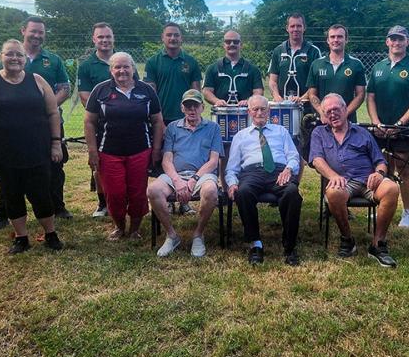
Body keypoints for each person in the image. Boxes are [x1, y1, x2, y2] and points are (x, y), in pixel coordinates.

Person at [0, 39, 64, 254]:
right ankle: (21, 238)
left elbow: (53, 112)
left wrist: (56, 143)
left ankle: (50, 234)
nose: (15, 59)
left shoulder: (37, 80)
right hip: (3, 154)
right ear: (1, 56)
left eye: (19, 55)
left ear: (24, 59)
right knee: (12, 194)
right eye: (10, 54)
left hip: (37, 151)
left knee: (41, 193)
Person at [0, 16, 72, 227]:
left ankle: (57, 206)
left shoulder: (53, 59)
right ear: (23, 31)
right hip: (14, 126)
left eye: (41, 32)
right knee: (9, 166)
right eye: (33, 31)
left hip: (49, 122)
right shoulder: (11, 56)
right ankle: (4, 212)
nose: (37, 35)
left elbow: (65, 88)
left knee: (55, 164)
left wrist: (47, 106)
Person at [310, 93, 401, 267]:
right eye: (328, 112)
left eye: (336, 109)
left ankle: (378, 244)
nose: (332, 114)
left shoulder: (362, 133)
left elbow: (380, 161)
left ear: (345, 110)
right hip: (342, 182)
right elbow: (317, 160)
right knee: (333, 192)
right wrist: (333, 176)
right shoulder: (319, 133)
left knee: (391, 188)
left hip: (368, 180)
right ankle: (347, 240)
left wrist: (379, 174)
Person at [83, 52, 164, 241]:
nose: (122, 71)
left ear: (133, 68)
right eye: (117, 67)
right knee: (115, 193)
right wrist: (92, 151)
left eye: (126, 66)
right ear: (111, 70)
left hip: (140, 151)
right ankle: (119, 226)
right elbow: (89, 122)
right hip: (109, 153)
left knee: (137, 193)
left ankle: (135, 228)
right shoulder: (100, 91)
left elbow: (158, 121)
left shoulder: (146, 90)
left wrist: (157, 149)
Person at [225, 95, 302, 266]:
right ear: (249, 112)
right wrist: (232, 183)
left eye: (263, 109)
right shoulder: (240, 136)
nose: (259, 112)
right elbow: (232, 167)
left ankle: (289, 246)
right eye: (255, 109)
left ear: (269, 111)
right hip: (252, 173)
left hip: (278, 171)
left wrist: (288, 169)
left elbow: (293, 156)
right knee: (243, 192)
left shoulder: (281, 131)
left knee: (292, 193)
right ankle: (255, 244)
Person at [147, 89, 223, 258]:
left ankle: (198, 234)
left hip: (202, 175)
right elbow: (167, 160)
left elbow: (213, 161)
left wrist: (194, 179)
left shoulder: (213, 128)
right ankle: (172, 235)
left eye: (195, 106)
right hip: (176, 174)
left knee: (211, 191)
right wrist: (178, 180)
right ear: (182, 108)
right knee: (153, 190)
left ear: (202, 107)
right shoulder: (173, 127)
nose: (192, 110)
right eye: (188, 106)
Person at [366, 25, 409, 228]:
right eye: (393, 39)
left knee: (404, 171)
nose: (396, 42)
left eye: (400, 39)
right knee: (382, 170)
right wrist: (376, 122)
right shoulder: (378, 68)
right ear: (387, 42)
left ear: (407, 42)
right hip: (380, 131)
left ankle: (407, 212)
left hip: (404, 131)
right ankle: (383, 208)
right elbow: (370, 97)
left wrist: (400, 123)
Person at [78, 22, 137, 218]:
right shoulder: (86, 66)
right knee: (99, 165)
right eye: (100, 37)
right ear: (94, 39)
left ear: (113, 38)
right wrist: (107, 109)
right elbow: (85, 96)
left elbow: (133, 87)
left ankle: (125, 200)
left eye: (108, 36)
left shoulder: (124, 60)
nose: (105, 40)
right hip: (100, 123)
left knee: (127, 163)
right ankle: (103, 203)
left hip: (125, 123)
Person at [267, 13, 322, 176]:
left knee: (299, 145)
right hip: (282, 107)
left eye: (299, 26)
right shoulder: (278, 51)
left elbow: (316, 81)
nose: (295, 29)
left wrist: (304, 97)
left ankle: (294, 186)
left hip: (304, 107)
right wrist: (277, 96)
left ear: (304, 27)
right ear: (287, 28)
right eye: (292, 26)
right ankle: (278, 184)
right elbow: (272, 80)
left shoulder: (313, 51)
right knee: (278, 144)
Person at [306, 24, 366, 123]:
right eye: (332, 37)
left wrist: (344, 113)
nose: (336, 40)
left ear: (346, 40)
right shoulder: (316, 64)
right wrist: (322, 112)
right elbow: (312, 94)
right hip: (323, 122)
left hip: (347, 121)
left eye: (340, 37)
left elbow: (360, 95)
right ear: (328, 40)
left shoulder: (356, 64)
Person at [144, 22, 201, 125]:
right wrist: (158, 120)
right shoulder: (152, 62)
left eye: (176, 35)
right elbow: (151, 94)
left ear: (181, 38)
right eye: (169, 35)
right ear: (162, 37)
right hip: (161, 118)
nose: (173, 38)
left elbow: (196, 92)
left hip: (186, 118)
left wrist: (194, 116)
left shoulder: (191, 61)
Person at [202, 30, 263, 107]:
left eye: (236, 42)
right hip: (221, 113)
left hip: (246, 112)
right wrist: (217, 101)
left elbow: (258, 91)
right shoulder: (212, 68)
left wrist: (249, 101)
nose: (232, 44)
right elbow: (206, 91)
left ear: (241, 45)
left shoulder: (253, 69)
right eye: (228, 42)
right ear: (223, 45)